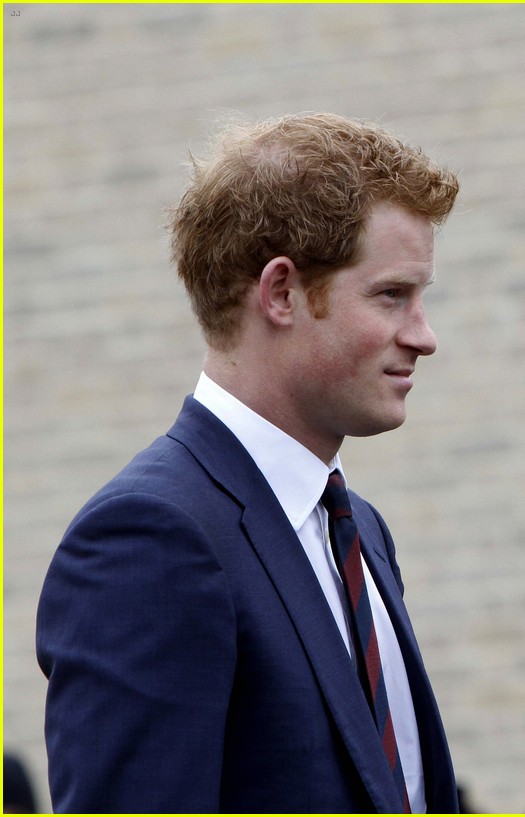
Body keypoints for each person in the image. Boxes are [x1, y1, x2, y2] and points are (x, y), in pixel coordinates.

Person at [37, 113, 460, 812]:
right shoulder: (149, 539)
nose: (424, 335)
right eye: (393, 295)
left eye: (421, 298)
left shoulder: (358, 530)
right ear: (281, 293)